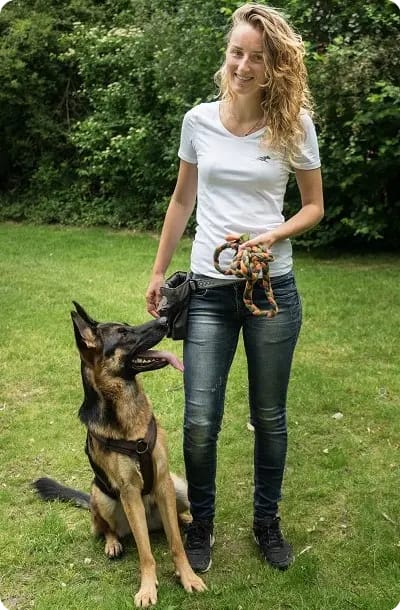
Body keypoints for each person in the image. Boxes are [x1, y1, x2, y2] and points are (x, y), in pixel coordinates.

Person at [146, 3, 324, 574]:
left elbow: (315, 206)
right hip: (207, 289)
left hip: (271, 291)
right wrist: (157, 271)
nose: (243, 65)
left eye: (257, 57)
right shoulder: (197, 120)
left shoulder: (293, 124)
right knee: (200, 419)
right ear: (226, 54)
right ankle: (201, 526)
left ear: (275, 65)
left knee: (269, 416)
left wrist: (271, 234)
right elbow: (182, 200)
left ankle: (266, 525)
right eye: (236, 52)